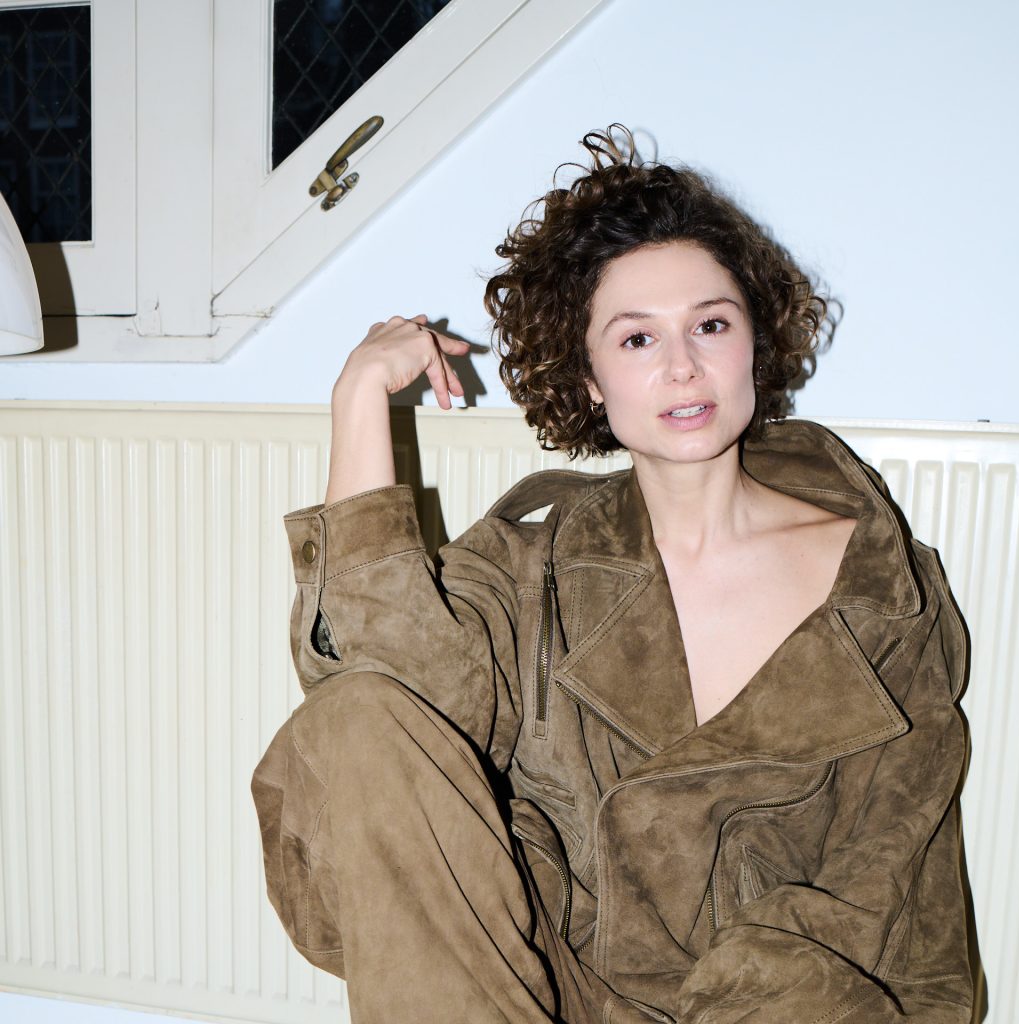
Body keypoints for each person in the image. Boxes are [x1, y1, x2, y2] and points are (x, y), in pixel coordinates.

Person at [252, 128, 974, 1023]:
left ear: (754, 344)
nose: (682, 366)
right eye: (636, 339)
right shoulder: (535, 565)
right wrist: (360, 397)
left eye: (711, 325)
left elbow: (876, 876)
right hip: (553, 987)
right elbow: (382, 694)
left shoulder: (881, 590)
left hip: (789, 998)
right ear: (590, 379)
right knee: (360, 713)